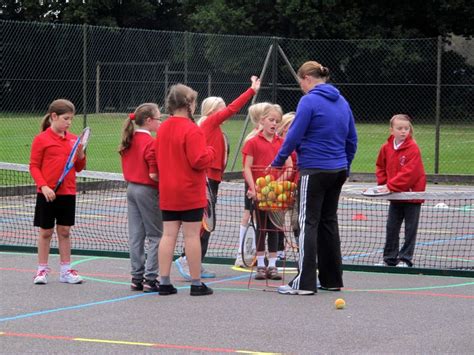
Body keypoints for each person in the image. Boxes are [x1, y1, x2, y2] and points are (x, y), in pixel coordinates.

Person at [272, 61, 358, 295]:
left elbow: (294, 136)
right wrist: (346, 166)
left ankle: (305, 282)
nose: (301, 86)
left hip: (314, 170)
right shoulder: (342, 102)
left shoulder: (308, 101)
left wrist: (277, 162)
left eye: (301, 81)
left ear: (307, 78)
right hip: (337, 170)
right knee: (328, 222)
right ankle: (332, 280)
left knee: (307, 223)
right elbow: (352, 139)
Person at [174, 76, 261, 280]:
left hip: (213, 179)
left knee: (207, 223)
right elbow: (232, 108)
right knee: (204, 223)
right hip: (207, 179)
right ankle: (187, 258)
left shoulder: (212, 127)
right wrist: (251, 91)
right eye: (221, 109)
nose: (225, 113)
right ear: (213, 111)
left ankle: (196, 261)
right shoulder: (210, 123)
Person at [155, 84, 215, 296]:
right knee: (191, 237)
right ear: (188, 104)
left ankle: (163, 281)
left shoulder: (163, 128)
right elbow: (198, 160)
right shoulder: (192, 129)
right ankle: (196, 283)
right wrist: (210, 152)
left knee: (168, 235)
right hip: (189, 190)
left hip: (168, 189)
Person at [29, 99, 86, 285]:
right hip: (47, 193)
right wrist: (43, 186)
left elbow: (78, 168)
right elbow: (34, 167)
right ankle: (41, 270)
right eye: (65, 118)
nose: (69, 122)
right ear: (54, 116)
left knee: (65, 231)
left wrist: (81, 156)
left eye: (71, 119)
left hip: (68, 192)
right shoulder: (41, 139)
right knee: (46, 232)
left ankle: (65, 270)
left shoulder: (73, 140)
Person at [243, 102, 291, 280]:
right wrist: (253, 187)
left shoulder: (282, 143)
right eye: (271, 120)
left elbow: (289, 166)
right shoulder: (252, 142)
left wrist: (277, 184)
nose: (274, 124)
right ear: (262, 121)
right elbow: (247, 167)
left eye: (277, 121)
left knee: (274, 229)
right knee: (261, 228)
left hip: (275, 194)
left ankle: (273, 265)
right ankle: (260, 265)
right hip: (258, 194)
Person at [119, 103, 163, 292]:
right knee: (156, 235)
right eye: (159, 118)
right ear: (148, 121)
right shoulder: (151, 143)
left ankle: (136, 277)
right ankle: (150, 278)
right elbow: (154, 175)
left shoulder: (129, 140)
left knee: (136, 235)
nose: (161, 122)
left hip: (131, 189)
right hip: (147, 190)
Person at [375, 114, 426, 267]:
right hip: (395, 196)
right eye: (400, 128)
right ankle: (389, 258)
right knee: (392, 227)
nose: (404, 131)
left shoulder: (413, 148)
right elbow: (380, 166)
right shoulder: (386, 147)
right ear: (392, 130)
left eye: (406, 128)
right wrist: (384, 185)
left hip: (412, 195)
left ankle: (405, 258)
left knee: (410, 229)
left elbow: (410, 173)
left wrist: (391, 186)